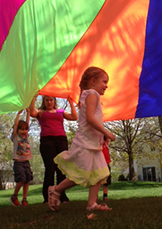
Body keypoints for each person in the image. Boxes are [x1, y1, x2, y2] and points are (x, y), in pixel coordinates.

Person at [48, 66, 115, 212]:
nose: (106, 85)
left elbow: (91, 119)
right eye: (104, 81)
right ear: (93, 81)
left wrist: (100, 137)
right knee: (81, 174)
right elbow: (90, 118)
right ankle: (55, 190)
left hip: (93, 143)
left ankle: (91, 204)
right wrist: (106, 133)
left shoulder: (87, 94)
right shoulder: (92, 94)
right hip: (85, 143)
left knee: (100, 173)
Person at [29, 94, 77, 203]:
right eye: (47, 100)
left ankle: (62, 195)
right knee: (50, 169)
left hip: (61, 140)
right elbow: (32, 113)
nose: (49, 102)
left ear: (54, 101)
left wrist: (70, 102)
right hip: (47, 141)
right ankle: (47, 197)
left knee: (61, 169)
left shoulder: (60, 111)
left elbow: (74, 117)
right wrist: (34, 98)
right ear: (44, 101)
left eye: (51, 100)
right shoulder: (40, 112)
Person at [10, 109, 33, 206]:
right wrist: (18, 114)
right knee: (21, 179)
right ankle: (14, 196)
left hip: (26, 161)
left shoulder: (26, 137)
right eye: (22, 129)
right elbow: (15, 126)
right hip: (18, 162)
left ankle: (24, 199)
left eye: (26, 129)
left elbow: (27, 123)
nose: (24, 131)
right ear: (17, 130)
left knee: (27, 180)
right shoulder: (15, 137)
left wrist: (28, 113)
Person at [102, 136, 111, 201]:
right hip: (99, 164)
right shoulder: (99, 144)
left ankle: (105, 196)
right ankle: (94, 196)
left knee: (106, 182)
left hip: (106, 164)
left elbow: (110, 137)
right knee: (96, 181)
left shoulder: (106, 143)